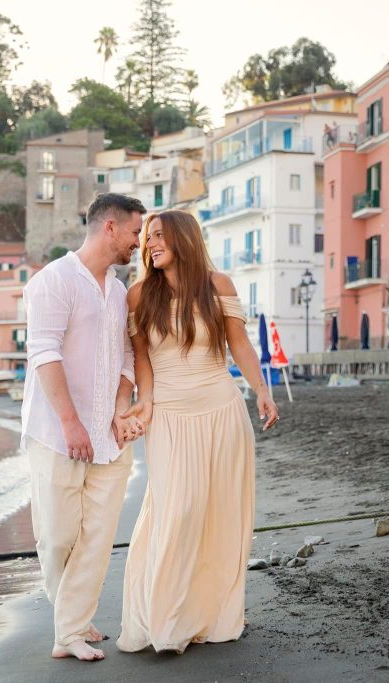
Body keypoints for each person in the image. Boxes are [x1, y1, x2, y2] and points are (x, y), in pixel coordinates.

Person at [117, 209, 279, 655]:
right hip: (169, 414)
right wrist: (145, 403)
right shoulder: (137, 296)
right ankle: (166, 618)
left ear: (185, 239)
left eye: (159, 236)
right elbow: (142, 360)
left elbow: (239, 344)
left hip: (222, 410)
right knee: (179, 509)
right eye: (147, 237)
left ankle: (211, 616)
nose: (150, 244)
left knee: (220, 514)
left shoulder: (218, 285)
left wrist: (261, 392)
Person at [21, 193, 147, 662]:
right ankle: (70, 616)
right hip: (57, 434)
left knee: (96, 538)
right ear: (110, 227)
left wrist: (120, 407)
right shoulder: (53, 280)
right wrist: (72, 424)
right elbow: (44, 353)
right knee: (56, 538)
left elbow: (128, 357)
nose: (139, 242)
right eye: (135, 232)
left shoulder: (117, 291)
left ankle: (68, 632)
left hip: (109, 438)